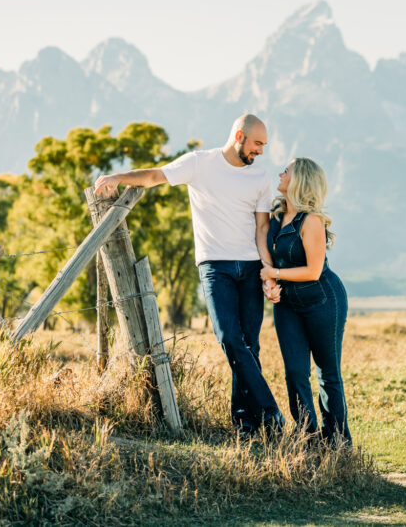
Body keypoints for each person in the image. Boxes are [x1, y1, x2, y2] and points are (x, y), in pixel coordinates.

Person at [94, 114, 285, 436]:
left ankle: (246, 423)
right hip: (215, 267)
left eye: (263, 146)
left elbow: (262, 228)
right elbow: (155, 175)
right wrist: (118, 176)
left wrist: (268, 274)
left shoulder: (261, 178)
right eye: (257, 144)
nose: (261, 152)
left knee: (249, 346)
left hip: (252, 267)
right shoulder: (199, 163)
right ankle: (270, 411)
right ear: (239, 135)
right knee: (228, 338)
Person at [260, 158, 352, 446]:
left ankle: (337, 444)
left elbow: (313, 271)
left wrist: (273, 273)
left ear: (299, 179)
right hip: (287, 305)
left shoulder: (311, 221)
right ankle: (308, 441)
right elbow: (263, 245)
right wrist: (270, 283)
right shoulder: (276, 216)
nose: (280, 173)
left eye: (286, 171)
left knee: (328, 374)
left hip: (323, 301)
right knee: (295, 373)